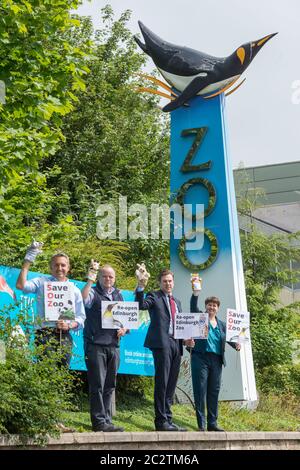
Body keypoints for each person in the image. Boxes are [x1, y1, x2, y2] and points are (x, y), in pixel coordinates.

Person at [16, 241, 85, 367]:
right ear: (51, 267)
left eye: (63, 265)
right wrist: (28, 260)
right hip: (44, 334)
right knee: (45, 373)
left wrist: (69, 325)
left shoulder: (74, 290)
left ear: (68, 268)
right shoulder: (41, 282)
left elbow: (81, 318)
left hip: (65, 336)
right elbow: (21, 285)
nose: (60, 268)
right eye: (56, 265)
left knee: (62, 374)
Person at [135, 266, 186, 432]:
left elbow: (182, 325)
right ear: (160, 283)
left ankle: (168, 419)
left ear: (174, 282)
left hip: (176, 344)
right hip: (161, 344)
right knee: (162, 382)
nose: (168, 284)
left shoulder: (177, 301)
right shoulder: (154, 296)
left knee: (171, 383)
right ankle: (161, 421)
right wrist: (141, 287)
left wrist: (187, 339)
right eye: (165, 281)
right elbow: (141, 305)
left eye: (170, 281)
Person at [188, 287, 241, 432]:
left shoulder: (222, 324)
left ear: (218, 308)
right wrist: (195, 294)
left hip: (217, 360)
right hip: (200, 357)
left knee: (213, 391)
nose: (212, 307)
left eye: (214, 305)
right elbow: (193, 306)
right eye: (209, 305)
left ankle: (212, 423)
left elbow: (229, 338)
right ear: (206, 306)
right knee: (200, 390)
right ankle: (201, 424)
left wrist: (236, 344)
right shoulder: (199, 318)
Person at [82, 262, 127, 432]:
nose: (108, 279)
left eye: (111, 276)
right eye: (105, 276)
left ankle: (107, 420)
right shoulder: (93, 292)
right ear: (99, 277)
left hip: (114, 346)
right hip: (96, 345)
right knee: (97, 384)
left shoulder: (118, 294)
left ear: (114, 279)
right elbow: (83, 299)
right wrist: (89, 280)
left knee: (110, 385)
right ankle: (98, 421)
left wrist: (125, 328)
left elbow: (126, 319)